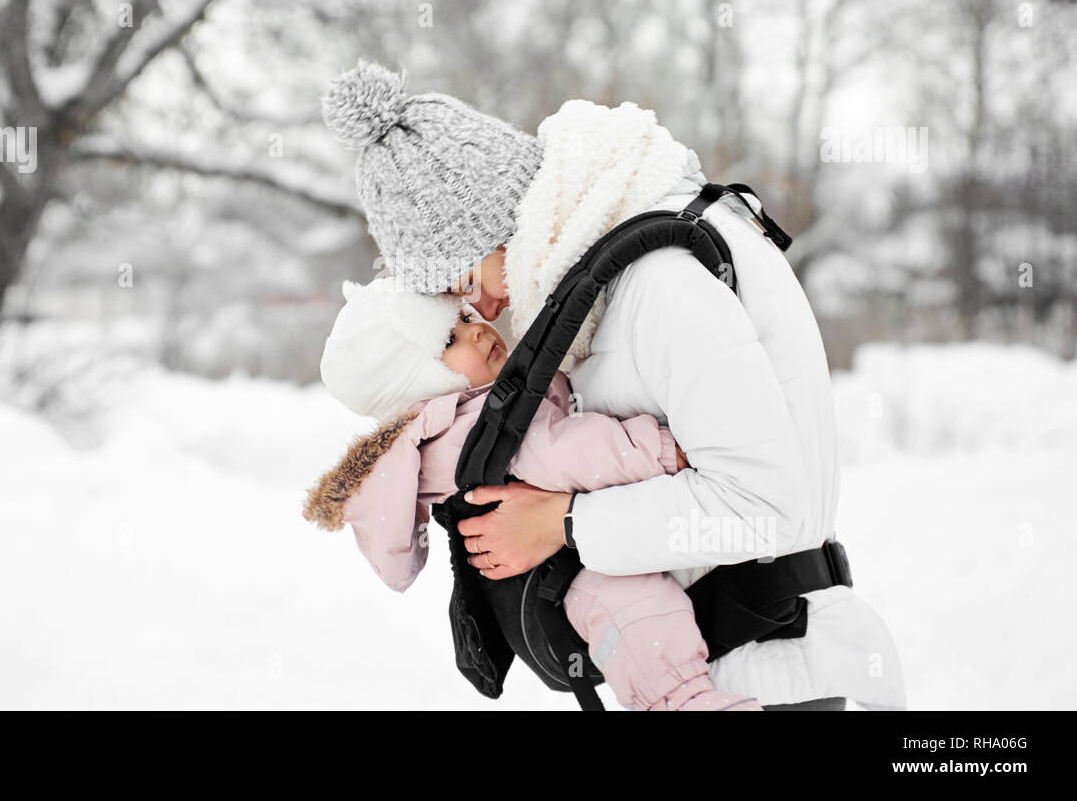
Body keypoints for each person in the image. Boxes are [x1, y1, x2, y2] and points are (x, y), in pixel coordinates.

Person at [320, 61, 906, 711]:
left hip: (777, 673)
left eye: (462, 280)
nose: (483, 307)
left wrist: (564, 524)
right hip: (735, 665)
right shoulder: (605, 286)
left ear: (489, 222)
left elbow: (767, 503)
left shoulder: (658, 282)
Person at [306, 277, 761, 710]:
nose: (479, 334)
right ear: (413, 385)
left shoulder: (467, 417)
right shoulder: (471, 428)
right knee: (639, 607)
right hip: (558, 587)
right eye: (449, 342)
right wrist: (662, 449)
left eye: (465, 319)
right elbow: (565, 452)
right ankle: (680, 700)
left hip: (544, 586)